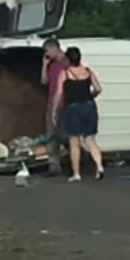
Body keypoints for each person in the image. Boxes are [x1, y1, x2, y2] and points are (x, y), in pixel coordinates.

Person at [52, 47, 105, 182]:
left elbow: (58, 93)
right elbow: (98, 88)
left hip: (73, 109)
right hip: (89, 106)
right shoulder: (88, 71)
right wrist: (90, 96)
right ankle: (99, 166)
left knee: (74, 141)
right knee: (90, 139)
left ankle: (76, 174)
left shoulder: (65, 73)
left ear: (68, 59)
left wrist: (54, 110)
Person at [40, 38, 69, 173]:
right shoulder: (51, 65)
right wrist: (44, 65)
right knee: (51, 133)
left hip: (65, 102)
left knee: (63, 134)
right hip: (52, 101)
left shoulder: (66, 63)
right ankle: (54, 165)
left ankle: (79, 154)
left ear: (54, 48)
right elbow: (44, 81)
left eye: (47, 51)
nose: (46, 54)